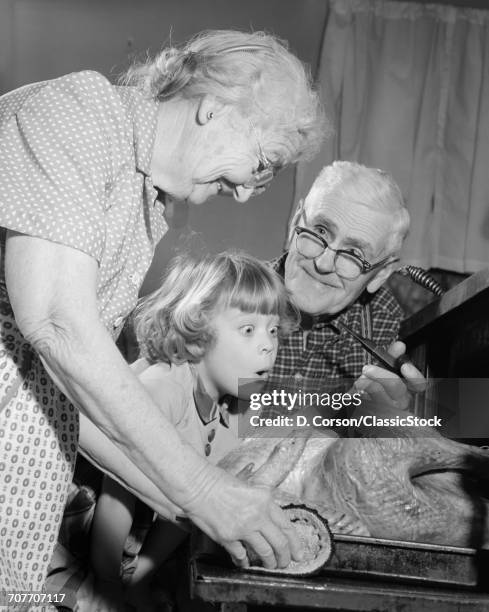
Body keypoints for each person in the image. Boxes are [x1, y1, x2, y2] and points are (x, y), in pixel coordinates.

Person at [0, 29, 325, 594]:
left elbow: (71, 397)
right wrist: (201, 490)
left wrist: (194, 508)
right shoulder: (79, 112)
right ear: (215, 108)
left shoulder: (148, 201)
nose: (248, 194)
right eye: (263, 163)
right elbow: (55, 322)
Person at [89, 250, 297, 609]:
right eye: (248, 330)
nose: (268, 344)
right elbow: (116, 493)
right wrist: (106, 587)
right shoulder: (162, 389)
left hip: (137, 547)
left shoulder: (234, 407)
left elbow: (193, 510)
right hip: (86, 536)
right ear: (198, 336)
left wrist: (139, 579)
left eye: (274, 330)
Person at [271, 161, 423, 408]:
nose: (323, 263)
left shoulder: (385, 326)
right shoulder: (227, 293)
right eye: (320, 231)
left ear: (381, 273)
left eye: (354, 253)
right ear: (295, 223)